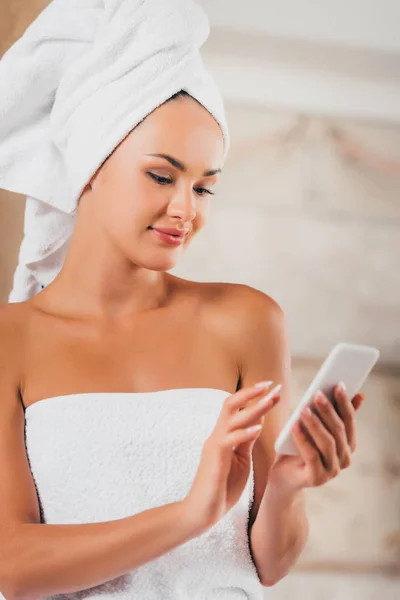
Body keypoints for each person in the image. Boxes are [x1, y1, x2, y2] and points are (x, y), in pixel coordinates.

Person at [0, 2, 365, 598]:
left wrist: (289, 490)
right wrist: (190, 514)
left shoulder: (246, 320)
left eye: (205, 185)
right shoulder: (8, 339)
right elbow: (11, 567)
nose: (185, 210)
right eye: (162, 176)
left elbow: (269, 563)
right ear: (90, 166)